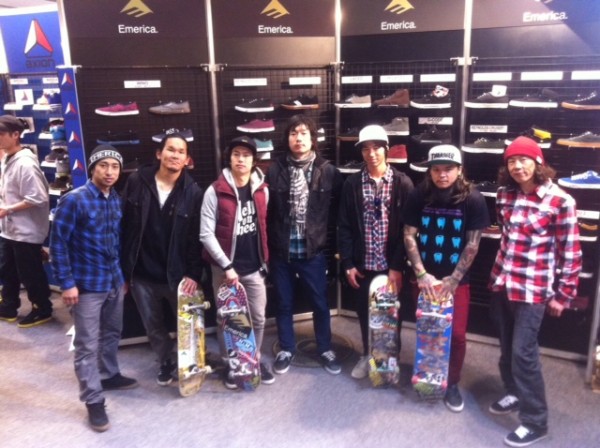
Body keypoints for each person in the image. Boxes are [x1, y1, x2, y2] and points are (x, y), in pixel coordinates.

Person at [488, 136, 582, 447]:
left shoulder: (561, 202)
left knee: (523, 354)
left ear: (538, 162)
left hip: (534, 290)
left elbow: (571, 253)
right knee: (506, 349)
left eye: (523, 160)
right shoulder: (504, 194)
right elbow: (507, 238)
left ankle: (535, 422)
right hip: (504, 284)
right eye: (511, 161)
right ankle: (514, 392)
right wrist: (496, 277)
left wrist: (564, 295)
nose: (517, 166)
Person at [50, 145, 138, 432]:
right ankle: (93, 400)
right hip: (86, 286)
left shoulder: (115, 200)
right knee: (87, 346)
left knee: (112, 333)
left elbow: (116, 243)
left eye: (115, 167)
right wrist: (67, 284)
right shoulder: (74, 200)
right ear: (92, 169)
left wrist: (121, 278)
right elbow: (58, 244)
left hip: (113, 281)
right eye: (104, 166)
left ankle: (109, 374)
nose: (109, 172)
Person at [403, 144, 489, 412]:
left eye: (448, 169)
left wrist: (453, 279)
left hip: (456, 279)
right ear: (429, 171)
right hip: (424, 277)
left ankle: (451, 382)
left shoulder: (473, 199)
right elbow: (408, 235)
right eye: (436, 169)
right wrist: (421, 273)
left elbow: (473, 244)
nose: (442, 175)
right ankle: (429, 376)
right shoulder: (419, 194)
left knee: (457, 335)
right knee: (428, 330)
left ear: (459, 169)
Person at [121, 131, 204, 386]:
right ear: (159, 153)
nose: (175, 155)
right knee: (153, 325)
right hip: (141, 274)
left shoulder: (193, 192)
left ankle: (190, 361)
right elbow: (123, 227)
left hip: (177, 274)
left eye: (181, 151)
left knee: (186, 323)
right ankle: (166, 360)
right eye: (170, 149)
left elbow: (196, 237)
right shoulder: (137, 181)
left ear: (187, 160)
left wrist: (193, 273)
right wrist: (123, 272)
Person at [266, 114, 344, 375]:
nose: (298, 138)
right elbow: (268, 212)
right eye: (293, 133)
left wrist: (335, 248)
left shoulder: (328, 171)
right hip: (282, 250)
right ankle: (287, 348)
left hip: (313, 250)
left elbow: (338, 213)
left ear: (313, 138)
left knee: (320, 303)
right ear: (287, 138)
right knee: (283, 303)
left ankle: (325, 348)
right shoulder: (275, 170)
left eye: (303, 133)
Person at [338, 124, 413, 379]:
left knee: (391, 314)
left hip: (390, 265)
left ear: (386, 149)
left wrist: (397, 266)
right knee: (364, 312)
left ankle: (390, 358)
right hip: (363, 264)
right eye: (366, 149)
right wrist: (348, 262)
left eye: (377, 148)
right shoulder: (352, 184)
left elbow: (407, 230)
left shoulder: (403, 183)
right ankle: (366, 354)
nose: (371, 154)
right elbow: (344, 225)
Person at [200, 136, 273, 388]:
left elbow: (263, 227)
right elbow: (205, 234)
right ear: (229, 158)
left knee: (258, 318)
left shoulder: (262, 190)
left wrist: (264, 261)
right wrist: (226, 266)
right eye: (236, 154)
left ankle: (252, 360)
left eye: (246, 155)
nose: (241, 159)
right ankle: (230, 364)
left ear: (254, 160)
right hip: (224, 269)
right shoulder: (215, 190)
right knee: (228, 320)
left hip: (254, 266)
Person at [0, 115, 52, 327]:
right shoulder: (7, 158)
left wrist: (8, 209)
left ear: (16, 135)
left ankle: (43, 308)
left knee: (30, 273)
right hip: (9, 229)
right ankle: (9, 305)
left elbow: (38, 197)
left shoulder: (26, 164)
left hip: (26, 230)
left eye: (1, 134)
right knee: (8, 269)